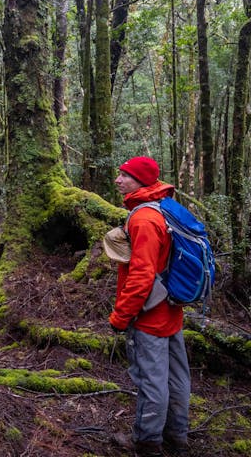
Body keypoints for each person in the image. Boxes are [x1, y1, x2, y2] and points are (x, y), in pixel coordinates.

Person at [110, 156, 191, 457]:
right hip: (171, 310)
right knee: (177, 378)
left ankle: (147, 442)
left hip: (149, 317)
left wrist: (121, 316)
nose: (118, 180)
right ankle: (176, 438)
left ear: (141, 181)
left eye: (125, 175)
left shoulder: (144, 219)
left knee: (152, 381)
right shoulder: (165, 207)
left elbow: (141, 276)